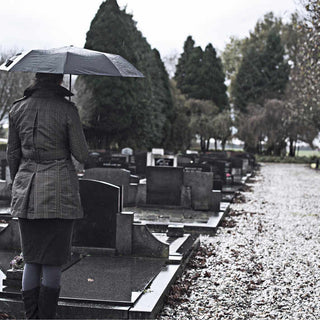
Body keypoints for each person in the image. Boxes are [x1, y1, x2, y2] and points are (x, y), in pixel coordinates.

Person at [6, 73, 89, 319]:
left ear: (36, 78)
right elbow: (81, 154)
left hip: (26, 190)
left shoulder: (17, 108)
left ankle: (31, 318)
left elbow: (12, 153)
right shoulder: (67, 110)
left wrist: (19, 181)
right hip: (59, 191)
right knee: (52, 261)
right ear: (60, 80)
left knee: (31, 259)